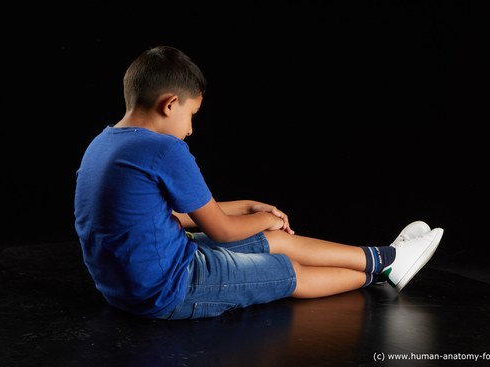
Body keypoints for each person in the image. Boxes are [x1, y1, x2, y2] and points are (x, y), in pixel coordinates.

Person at [74, 46, 443, 320]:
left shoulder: (104, 144)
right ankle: (380, 273)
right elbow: (220, 231)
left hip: (124, 288)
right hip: (168, 289)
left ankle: (386, 256)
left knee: (277, 241)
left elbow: (170, 215)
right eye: (191, 115)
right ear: (170, 104)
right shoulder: (165, 149)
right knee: (286, 268)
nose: (190, 129)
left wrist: (250, 206)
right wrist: (265, 219)